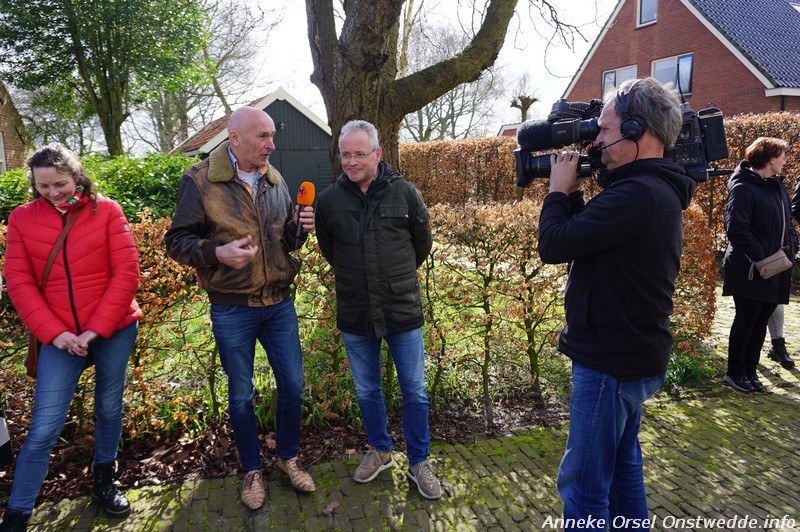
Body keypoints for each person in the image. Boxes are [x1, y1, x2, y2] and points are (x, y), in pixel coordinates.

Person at [537, 77, 696, 529]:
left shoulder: (638, 194)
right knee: (623, 473)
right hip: (629, 355)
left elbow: (554, 244)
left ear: (636, 130)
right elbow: (589, 238)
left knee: (584, 485)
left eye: (604, 130)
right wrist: (573, 193)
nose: (596, 139)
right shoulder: (649, 189)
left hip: (609, 363)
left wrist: (557, 189)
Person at [164, 106, 316, 511]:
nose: (272, 145)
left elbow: (284, 240)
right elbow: (176, 241)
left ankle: (288, 458)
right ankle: (251, 469)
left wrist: (299, 229)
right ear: (234, 138)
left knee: (293, 386)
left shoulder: (275, 179)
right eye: (263, 136)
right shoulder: (200, 181)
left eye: (272, 136)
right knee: (241, 395)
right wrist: (218, 252)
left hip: (279, 303)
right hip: (232, 309)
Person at [1, 144, 141, 531]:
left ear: (76, 176)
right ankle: (18, 510)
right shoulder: (21, 218)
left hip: (112, 328)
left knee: (109, 408)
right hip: (58, 336)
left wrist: (96, 328)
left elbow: (127, 272)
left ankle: (103, 482)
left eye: (59, 184)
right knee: (45, 425)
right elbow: (19, 282)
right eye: (43, 186)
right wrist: (56, 334)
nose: (53, 193)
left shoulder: (107, 210)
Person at [314, 120, 440, 500]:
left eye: (359, 154)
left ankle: (419, 461)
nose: (351, 162)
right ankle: (381, 451)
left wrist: (393, 280)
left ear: (378, 154)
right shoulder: (329, 201)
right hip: (355, 311)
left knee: (414, 390)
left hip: (402, 309)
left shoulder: (406, 194)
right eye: (345, 155)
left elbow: (421, 245)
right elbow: (330, 250)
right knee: (367, 390)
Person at [722, 137, 795, 391]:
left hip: (776, 268)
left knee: (761, 320)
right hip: (750, 269)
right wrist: (763, 257)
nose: (785, 160)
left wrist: (792, 250)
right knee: (747, 319)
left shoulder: (777, 186)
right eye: (782, 156)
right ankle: (735, 373)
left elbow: (788, 224)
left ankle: (750, 371)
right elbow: (737, 229)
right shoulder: (742, 187)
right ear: (771, 159)